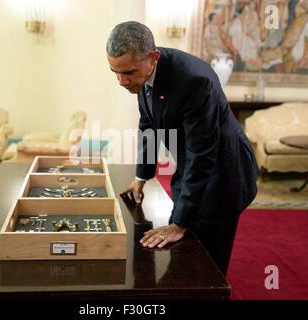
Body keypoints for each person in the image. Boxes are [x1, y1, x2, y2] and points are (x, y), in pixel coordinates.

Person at [106, 21, 258, 276]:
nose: (121, 81)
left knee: (207, 260)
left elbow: (203, 155)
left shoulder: (194, 81)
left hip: (222, 172)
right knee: (183, 250)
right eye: (115, 72)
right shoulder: (143, 71)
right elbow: (148, 122)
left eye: (128, 72)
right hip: (191, 165)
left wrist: (179, 223)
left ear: (153, 57)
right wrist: (141, 177)